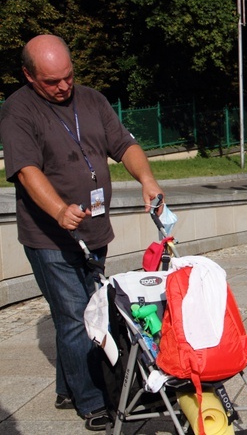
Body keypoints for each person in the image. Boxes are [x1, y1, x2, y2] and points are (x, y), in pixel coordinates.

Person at [0, 35, 164, 431]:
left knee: (90, 311)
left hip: (94, 229)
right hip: (49, 238)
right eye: (52, 81)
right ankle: (92, 401)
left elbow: (125, 145)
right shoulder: (17, 111)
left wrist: (147, 179)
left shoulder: (91, 100)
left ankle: (66, 387)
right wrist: (58, 209)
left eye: (68, 77)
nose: (63, 87)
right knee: (76, 316)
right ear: (29, 76)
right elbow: (26, 170)